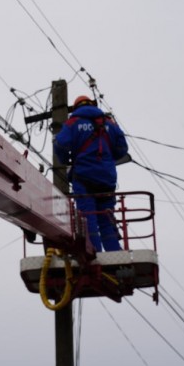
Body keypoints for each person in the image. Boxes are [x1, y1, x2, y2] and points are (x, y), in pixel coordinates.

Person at [54, 95, 129, 252]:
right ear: (94, 105)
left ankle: (94, 252)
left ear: (75, 108)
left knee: (88, 218)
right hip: (107, 179)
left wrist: (66, 159)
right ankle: (114, 252)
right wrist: (107, 159)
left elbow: (60, 144)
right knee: (106, 218)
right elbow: (122, 148)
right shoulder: (109, 123)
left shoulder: (73, 123)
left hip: (83, 177)